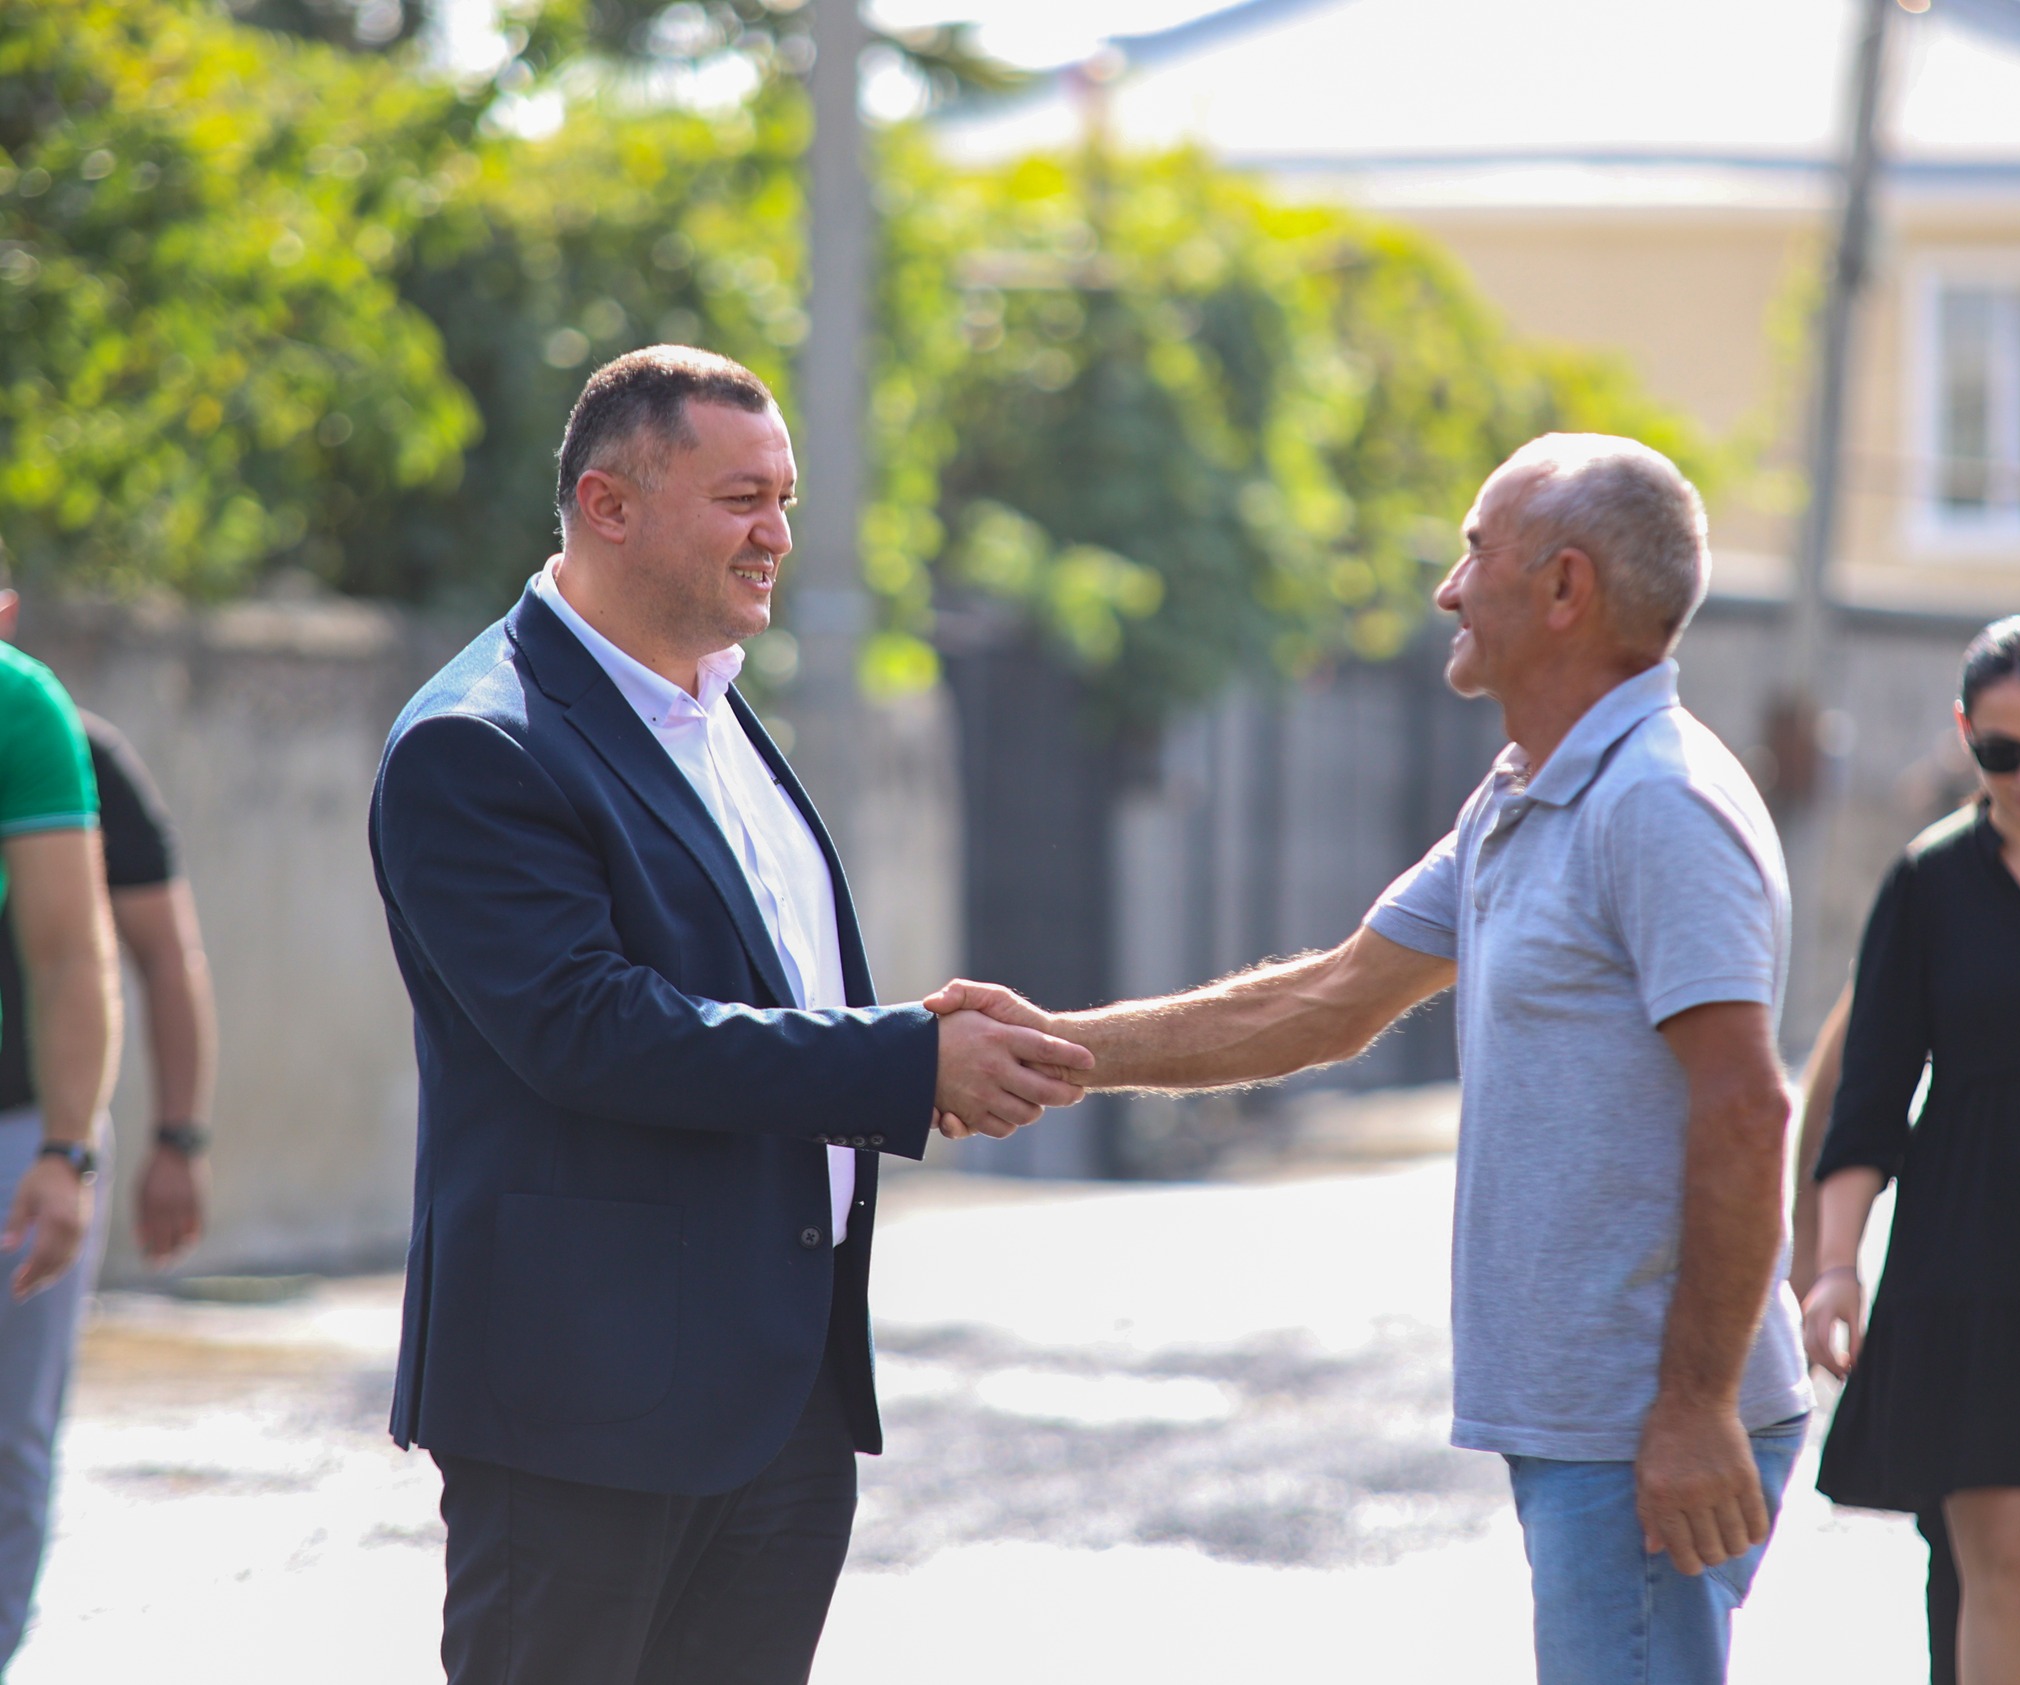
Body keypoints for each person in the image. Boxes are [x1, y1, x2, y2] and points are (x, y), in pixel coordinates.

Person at [931, 433, 1812, 1685]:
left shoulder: (1656, 803)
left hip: (1641, 1424)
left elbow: (1744, 1109)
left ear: (1564, 588)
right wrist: (1053, 1044)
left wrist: (1694, 1404)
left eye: (1474, 552)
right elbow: (1328, 999)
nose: (1446, 590)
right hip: (1599, 1420)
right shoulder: (1522, 792)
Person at [368, 344, 1095, 1685]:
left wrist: (914, 1039)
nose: (778, 536)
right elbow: (589, 1027)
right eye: (741, 499)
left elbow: (764, 993)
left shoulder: (712, 706)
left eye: (785, 499)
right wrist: (905, 1058)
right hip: (587, 1404)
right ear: (609, 504)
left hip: (776, 1398)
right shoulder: (478, 741)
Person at [1802, 613, 2020, 1685]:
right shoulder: (1928, 881)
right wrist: (1832, 1264)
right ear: (1962, 734)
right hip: (1968, 1260)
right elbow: (1868, 1090)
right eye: (2000, 751)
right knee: (2005, 1552)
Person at [0, 574, 216, 1667]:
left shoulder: (60, 743)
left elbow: (154, 959)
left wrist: (173, 1139)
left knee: (11, 1439)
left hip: (22, 1125)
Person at [0, 617, 122, 1661]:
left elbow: (73, 953)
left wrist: (67, 1151)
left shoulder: (18, 706)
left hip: (12, 1127)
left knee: (7, 1443)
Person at [1791, 984, 1960, 1685]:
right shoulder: (1953, 912)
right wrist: (1819, 1260)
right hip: (1985, 1287)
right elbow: (1861, 1049)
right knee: (1977, 1567)